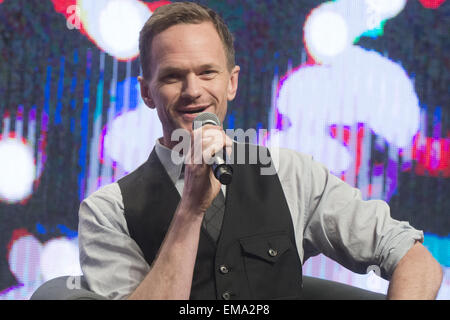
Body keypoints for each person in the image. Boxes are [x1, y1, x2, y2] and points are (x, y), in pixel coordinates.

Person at [78, 2, 442, 300]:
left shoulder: (291, 174)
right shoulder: (109, 210)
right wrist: (191, 206)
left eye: (207, 73)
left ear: (231, 82)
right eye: (173, 76)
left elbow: (416, 258)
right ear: (146, 91)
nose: (193, 90)